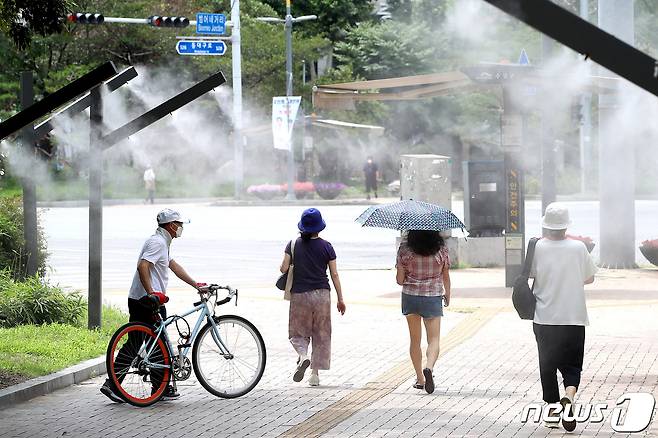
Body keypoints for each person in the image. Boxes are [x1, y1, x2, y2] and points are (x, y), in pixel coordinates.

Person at [100, 208, 200, 403]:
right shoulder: (157, 243)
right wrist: (151, 293)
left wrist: (196, 284)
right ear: (171, 226)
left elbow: (173, 266)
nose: (181, 228)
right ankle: (114, 384)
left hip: (147, 299)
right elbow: (143, 266)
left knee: (153, 344)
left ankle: (159, 387)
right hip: (146, 301)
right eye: (179, 225)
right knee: (145, 343)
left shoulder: (162, 241)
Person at [530, 202, 597, 431]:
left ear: (547, 225)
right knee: (572, 364)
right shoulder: (579, 248)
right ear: (566, 226)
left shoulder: (538, 247)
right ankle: (569, 395)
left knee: (547, 365)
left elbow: (529, 275)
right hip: (574, 318)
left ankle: (551, 412)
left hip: (545, 318)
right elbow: (589, 278)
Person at [280, 208, 346, 387]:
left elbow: (283, 268)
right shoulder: (327, 246)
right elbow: (334, 275)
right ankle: (314, 375)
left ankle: (303, 356)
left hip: (300, 295)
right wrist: (340, 298)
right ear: (320, 227)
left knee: (298, 332)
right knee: (321, 334)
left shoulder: (292, 244)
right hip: (322, 295)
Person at [396, 230, 451, 394]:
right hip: (432, 297)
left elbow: (400, 280)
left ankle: (420, 379)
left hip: (410, 297)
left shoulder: (405, 250)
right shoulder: (441, 250)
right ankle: (429, 367)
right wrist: (448, 294)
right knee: (434, 339)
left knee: (415, 340)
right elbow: (446, 277)